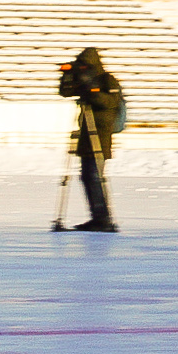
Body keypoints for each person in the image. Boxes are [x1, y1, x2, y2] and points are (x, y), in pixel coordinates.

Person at [57, 47, 123, 232]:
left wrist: (91, 89)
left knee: (95, 177)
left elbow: (108, 103)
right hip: (86, 137)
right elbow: (65, 92)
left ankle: (104, 219)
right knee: (87, 177)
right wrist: (68, 76)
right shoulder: (87, 79)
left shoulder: (107, 80)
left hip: (100, 137)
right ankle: (97, 217)